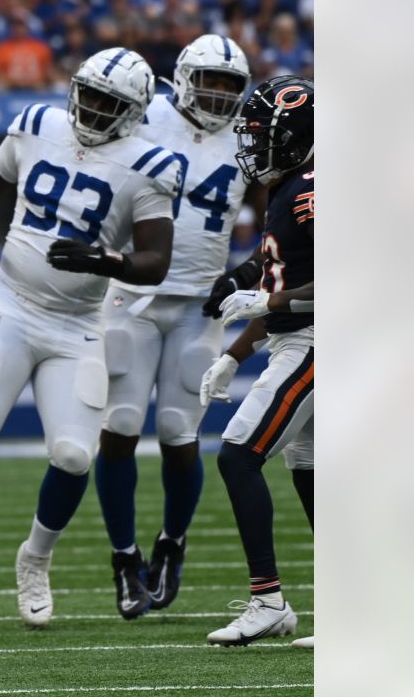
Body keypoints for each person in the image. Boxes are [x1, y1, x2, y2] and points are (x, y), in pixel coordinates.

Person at [0, 47, 181, 628]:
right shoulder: (36, 123)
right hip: (9, 305)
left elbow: (155, 262)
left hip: (78, 324)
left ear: (133, 112)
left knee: (75, 456)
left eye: (108, 102)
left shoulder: (150, 163)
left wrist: (105, 260)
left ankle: (35, 560)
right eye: (89, 92)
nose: (92, 107)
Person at [92, 34, 257, 619]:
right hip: (131, 293)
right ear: (185, 76)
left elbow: (275, 206)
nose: (219, 94)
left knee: (179, 434)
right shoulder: (144, 116)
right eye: (210, 80)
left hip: (199, 304)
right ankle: (123, 556)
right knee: (121, 424)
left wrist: (251, 267)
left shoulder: (248, 135)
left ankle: (172, 542)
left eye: (230, 85)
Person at [200, 75, 314, 648]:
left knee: (239, 456)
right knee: (312, 471)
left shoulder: (316, 187)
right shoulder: (291, 185)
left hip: (323, 340)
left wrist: (264, 299)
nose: (252, 144)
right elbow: (280, 271)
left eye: (261, 133)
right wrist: (234, 354)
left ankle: (268, 600)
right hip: (300, 337)